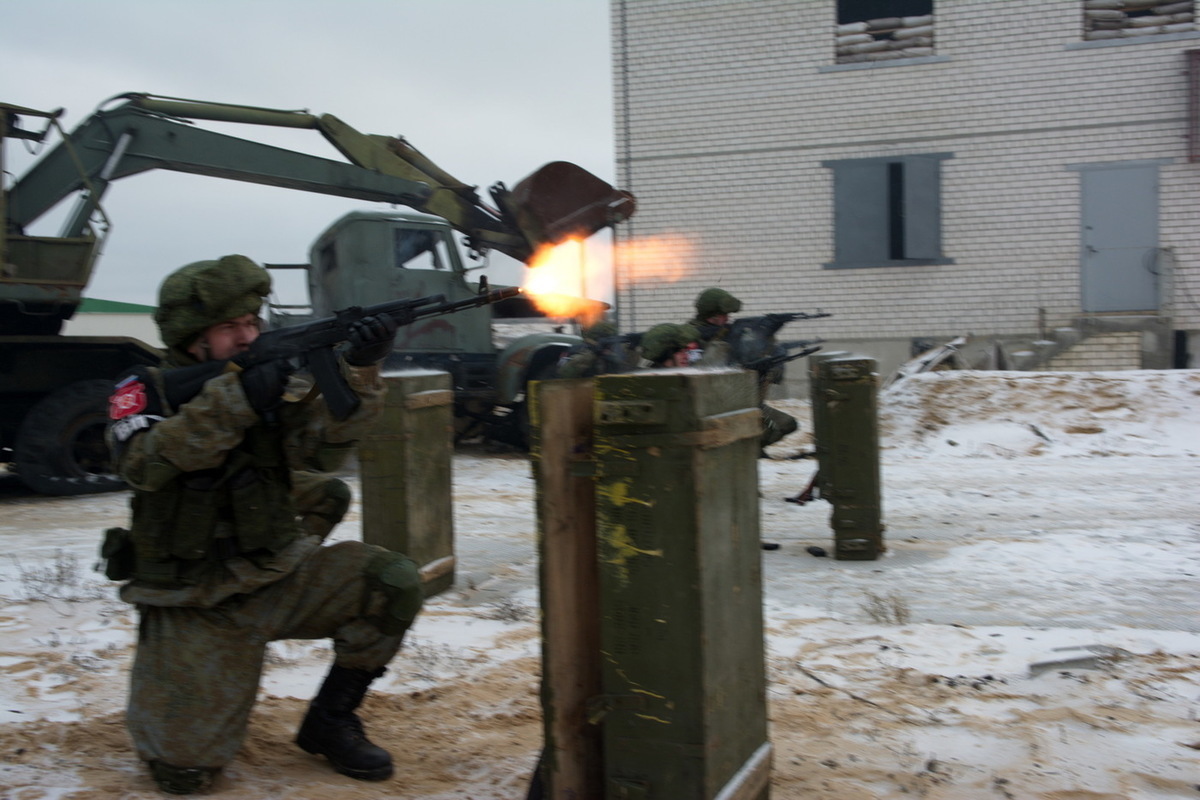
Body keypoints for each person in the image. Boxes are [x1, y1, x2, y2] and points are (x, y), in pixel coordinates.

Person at [102, 255, 423, 795]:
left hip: (274, 575)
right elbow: (143, 463)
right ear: (191, 337)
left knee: (392, 583)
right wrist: (236, 400)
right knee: (184, 773)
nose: (248, 336)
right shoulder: (144, 388)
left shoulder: (266, 382)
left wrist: (364, 368)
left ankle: (330, 720)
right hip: (196, 597)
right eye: (231, 328)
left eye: (253, 323)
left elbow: (322, 451)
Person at [687, 288, 798, 450]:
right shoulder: (690, 337)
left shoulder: (729, 333)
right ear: (712, 316)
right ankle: (742, 453)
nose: (728, 319)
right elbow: (699, 371)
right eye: (724, 315)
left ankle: (751, 451)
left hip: (739, 400)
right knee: (765, 427)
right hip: (714, 405)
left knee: (786, 424)